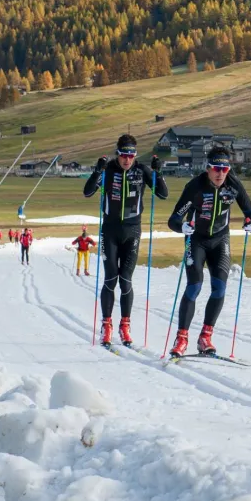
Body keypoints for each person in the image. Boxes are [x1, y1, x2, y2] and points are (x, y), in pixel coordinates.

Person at [166, 146, 251, 358]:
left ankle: (205, 337)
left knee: (219, 288)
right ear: (208, 168)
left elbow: (250, 211)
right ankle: (181, 338)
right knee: (194, 287)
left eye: (225, 169)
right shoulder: (195, 186)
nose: (220, 173)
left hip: (220, 240)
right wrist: (183, 228)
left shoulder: (233, 185)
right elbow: (174, 220)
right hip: (196, 241)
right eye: (216, 168)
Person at [84, 133, 168, 348]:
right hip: (110, 231)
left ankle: (125, 325)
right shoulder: (109, 169)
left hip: (133, 231)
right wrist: (97, 170)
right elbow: (87, 192)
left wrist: (158, 172)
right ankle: (107, 324)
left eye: (131, 155)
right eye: (123, 155)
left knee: (126, 280)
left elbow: (163, 194)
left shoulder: (142, 171)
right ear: (117, 153)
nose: (127, 159)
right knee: (111, 278)